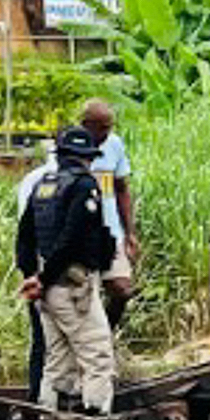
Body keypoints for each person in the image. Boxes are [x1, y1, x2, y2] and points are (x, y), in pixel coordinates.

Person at [14, 119, 119, 416]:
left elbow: (24, 237)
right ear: (87, 157)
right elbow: (72, 238)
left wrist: (33, 277)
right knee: (96, 355)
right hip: (72, 286)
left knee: (57, 358)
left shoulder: (43, 186)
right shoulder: (83, 186)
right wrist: (45, 279)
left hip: (46, 288)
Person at [77, 95, 137, 317]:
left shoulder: (114, 144)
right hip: (80, 234)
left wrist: (129, 232)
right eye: (100, 127)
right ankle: (93, 342)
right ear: (85, 125)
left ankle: (107, 336)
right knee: (82, 295)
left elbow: (121, 189)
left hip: (110, 231)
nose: (105, 133)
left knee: (121, 290)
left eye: (109, 127)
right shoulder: (71, 145)